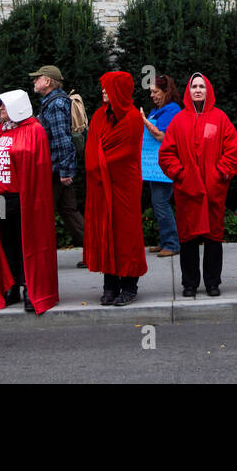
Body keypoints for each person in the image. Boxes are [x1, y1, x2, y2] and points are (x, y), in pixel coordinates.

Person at [0, 89, 59, 314]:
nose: (0, 110)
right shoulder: (1, 129)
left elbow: (38, 167)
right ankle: (11, 285)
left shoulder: (34, 130)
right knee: (5, 242)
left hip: (23, 197)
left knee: (26, 243)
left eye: (4, 106)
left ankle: (31, 288)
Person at [158, 72, 237, 297]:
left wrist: (218, 175)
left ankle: (213, 283)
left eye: (202, 86)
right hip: (187, 192)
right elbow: (166, 154)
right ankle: (190, 283)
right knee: (188, 238)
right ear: (188, 91)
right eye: (194, 86)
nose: (197, 90)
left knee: (214, 238)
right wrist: (180, 174)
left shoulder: (220, 118)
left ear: (208, 90)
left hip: (213, 192)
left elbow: (232, 153)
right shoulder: (179, 120)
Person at [84, 71, 147, 306]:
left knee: (126, 233)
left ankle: (129, 285)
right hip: (103, 184)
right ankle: (110, 285)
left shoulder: (131, 117)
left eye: (107, 87)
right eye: (102, 87)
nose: (103, 91)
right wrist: (96, 164)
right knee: (107, 231)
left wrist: (98, 163)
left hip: (124, 184)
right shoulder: (100, 115)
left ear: (119, 91)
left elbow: (126, 152)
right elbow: (91, 148)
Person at [30, 65, 87, 267]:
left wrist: (64, 172)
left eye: (38, 78)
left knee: (42, 214)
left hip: (55, 171)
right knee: (69, 211)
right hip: (57, 169)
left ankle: (40, 258)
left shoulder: (55, 104)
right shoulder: (53, 102)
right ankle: (93, 251)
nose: (35, 82)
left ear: (47, 81)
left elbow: (63, 140)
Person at [141, 73, 182, 258]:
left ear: (166, 92)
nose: (152, 95)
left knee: (161, 203)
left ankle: (172, 243)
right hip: (153, 167)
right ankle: (166, 241)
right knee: (159, 204)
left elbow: (162, 136)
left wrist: (143, 119)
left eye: (155, 92)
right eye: (151, 92)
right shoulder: (159, 109)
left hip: (163, 167)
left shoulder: (171, 110)